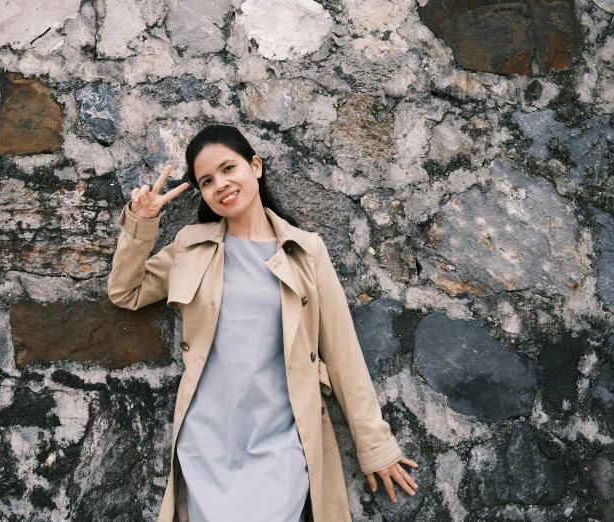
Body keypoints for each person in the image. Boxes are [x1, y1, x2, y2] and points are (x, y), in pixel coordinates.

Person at [107, 125, 419, 522]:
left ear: (255, 166)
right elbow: (126, 293)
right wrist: (141, 222)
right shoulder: (190, 245)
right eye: (206, 180)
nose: (220, 184)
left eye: (228, 168)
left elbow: (342, 354)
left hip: (282, 441)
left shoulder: (306, 252)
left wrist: (375, 445)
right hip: (208, 442)